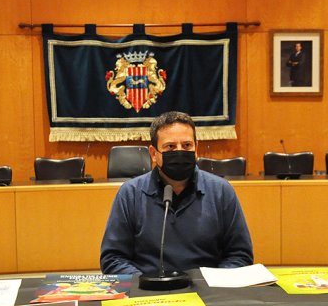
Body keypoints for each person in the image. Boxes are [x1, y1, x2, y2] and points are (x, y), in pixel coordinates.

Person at [100, 111, 253, 275]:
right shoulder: (130, 194)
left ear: (196, 149)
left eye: (187, 145)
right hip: (149, 293)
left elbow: (240, 255)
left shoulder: (221, 191)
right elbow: (113, 258)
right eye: (170, 147)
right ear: (153, 154)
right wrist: (147, 283)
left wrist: (211, 283)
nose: (179, 152)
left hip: (208, 292)